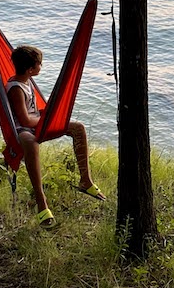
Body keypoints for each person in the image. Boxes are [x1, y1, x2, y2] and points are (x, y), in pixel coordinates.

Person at [7, 45, 105, 229]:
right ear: (30, 69)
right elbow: (25, 119)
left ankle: (86, 180)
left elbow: (33, 113)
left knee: (78, 128)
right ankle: (41, 200)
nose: (41, 67)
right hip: (23, 129)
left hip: (38, 123)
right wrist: (46, 118)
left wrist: (48, 114)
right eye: (39, 64)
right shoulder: (16, 89)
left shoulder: (28, 81)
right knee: (31, 143)